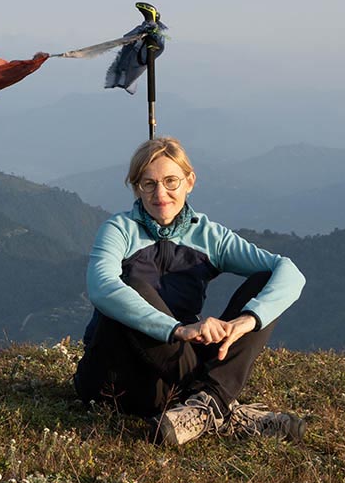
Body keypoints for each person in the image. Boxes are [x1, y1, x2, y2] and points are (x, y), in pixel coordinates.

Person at [73, 137, 306, 445]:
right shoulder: (118, 230)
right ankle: (221, 406)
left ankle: (206, 404)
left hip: (177, 370)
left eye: (171, 181)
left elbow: (290, 273)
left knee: (265, 279)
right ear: (136, 188)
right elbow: (102, 288)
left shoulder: (210, 236)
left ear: (190, 181)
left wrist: (247, 321)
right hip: (114, 375)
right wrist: (177, 329)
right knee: (133, 287)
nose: (161, 194)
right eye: (148, 184)